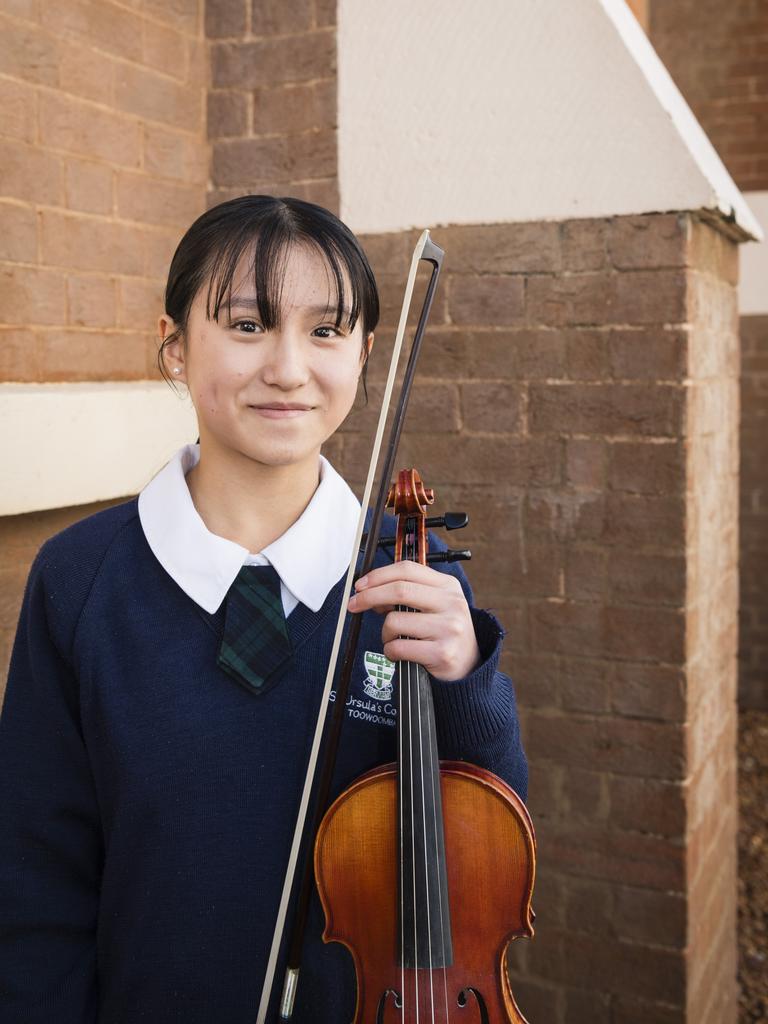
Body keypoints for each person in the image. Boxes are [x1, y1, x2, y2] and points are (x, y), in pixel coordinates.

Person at [0, 195, 527, 1023]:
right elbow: (35, 881)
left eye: (326, 331)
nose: (288, 367)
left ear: (364, 355)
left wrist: (466, 683)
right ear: (173, 347)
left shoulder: (411, 577)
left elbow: (488, 864)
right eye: (248, 325)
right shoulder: (80, 582)